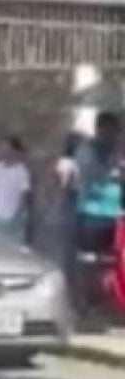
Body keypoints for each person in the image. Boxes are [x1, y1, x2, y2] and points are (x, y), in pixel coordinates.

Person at [71, 111, 124, 313]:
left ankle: (107, 301)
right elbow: (90, 177)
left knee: (111, 261)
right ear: (100, 129)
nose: (114, 136)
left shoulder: (117, 151)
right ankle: (87, 302)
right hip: (91, 215)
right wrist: (113, 171)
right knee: (89, 260)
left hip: (114, 216)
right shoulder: (88, 151)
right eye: (111, 131)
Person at [0, 135, 30, 240]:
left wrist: (17, 217)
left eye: (7, 148)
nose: (4, 151)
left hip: (12, 217)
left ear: (14, 151)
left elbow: (24, 197)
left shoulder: (21, 171)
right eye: (2, 148)